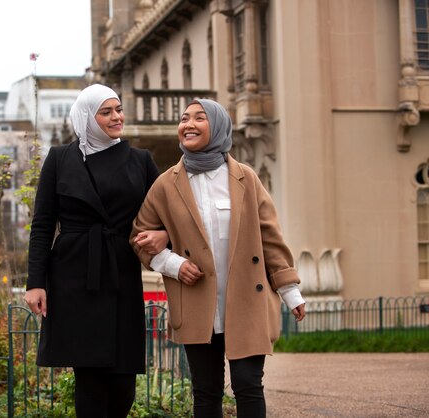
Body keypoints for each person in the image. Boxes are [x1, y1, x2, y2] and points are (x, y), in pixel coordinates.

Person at [131, 99, 306, 418]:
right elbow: (140, 238)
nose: (188, 124)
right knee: (206, 390)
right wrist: (175, 264)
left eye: (199, 117)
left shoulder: (245, 178)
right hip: (198, 304)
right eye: (184, 119)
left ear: (219, 126)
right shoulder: (166, 184)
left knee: (248, 385)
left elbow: (270, 237)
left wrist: (289, 290)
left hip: (247, 301)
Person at [24, 84, 166, 418]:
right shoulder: (60, 158)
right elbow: (42, 223)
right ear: (88, 116)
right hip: (74, 275)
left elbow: (168, 211)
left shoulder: (140, 160)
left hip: (120, 272)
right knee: (88, 376)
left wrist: (164, 234)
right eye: (107, 112)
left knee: (123, 381)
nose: (117, 117)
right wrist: (35, 282)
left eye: (118, 109)